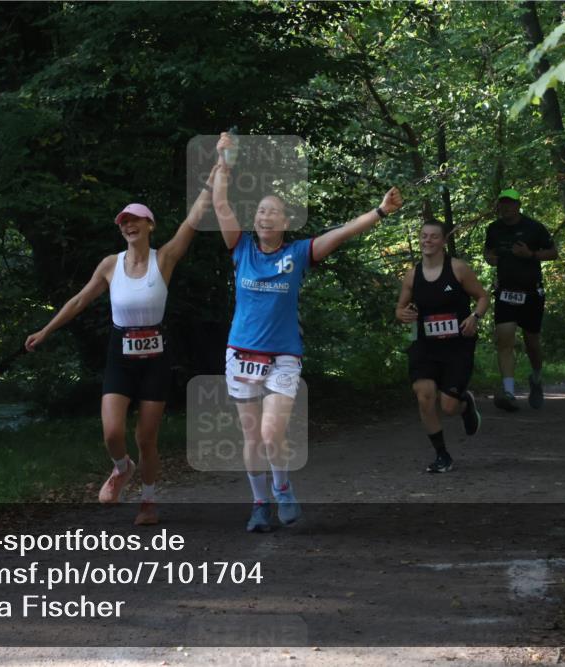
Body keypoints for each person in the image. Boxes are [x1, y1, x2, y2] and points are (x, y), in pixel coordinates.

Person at [212, 131, 403, 532]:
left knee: (270, 432)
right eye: (261, 211)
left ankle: (282, 487)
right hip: (241, 354)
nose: (265, 217)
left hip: (283, 355)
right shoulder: (240, 248)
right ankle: (259, 505)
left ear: (285, 222)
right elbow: (220, 204)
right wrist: (224, 164)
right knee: (251, 438)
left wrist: (380, 212)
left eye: (273, 213)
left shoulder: (298, 254)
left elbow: (343, 232)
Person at [25, 167, 216, 525]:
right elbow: (80, 301)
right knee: (112, 433)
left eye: (136, 221)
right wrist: (46, 330)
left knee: (146, 437)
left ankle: (147, 501)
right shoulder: (110, 265)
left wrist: (215, 175)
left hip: (156, 356)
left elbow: (194, 218)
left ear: (150, 225)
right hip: (120, 353)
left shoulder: (166, 258)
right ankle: (121, 468)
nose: (129, 226)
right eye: (124, 223)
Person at [396, 221, 489, 473]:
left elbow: (482, 297)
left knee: (449, 407)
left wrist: (474, 318)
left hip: (457, 346)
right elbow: (400, 308)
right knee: (424, 394)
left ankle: (465, 405)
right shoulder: (412, 275)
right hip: (425, 346)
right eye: (424, 236)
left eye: (434, 237)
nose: (428, 240)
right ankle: (442, 455)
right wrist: (403, 314)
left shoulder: (458, 269)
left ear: (443, 241)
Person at [483, 188, 558, 411]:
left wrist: (531, 255)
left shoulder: (534, 227)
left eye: (510, 204)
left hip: (531, 293)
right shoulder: (493, 229)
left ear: (518, 205)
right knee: (504, 340)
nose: (506, 208)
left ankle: (536, 377)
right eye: (502, 204)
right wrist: (490, 259)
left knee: (532, 342)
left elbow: (554, 253)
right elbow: (488, 253)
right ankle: (509, 391)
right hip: (505, 293)